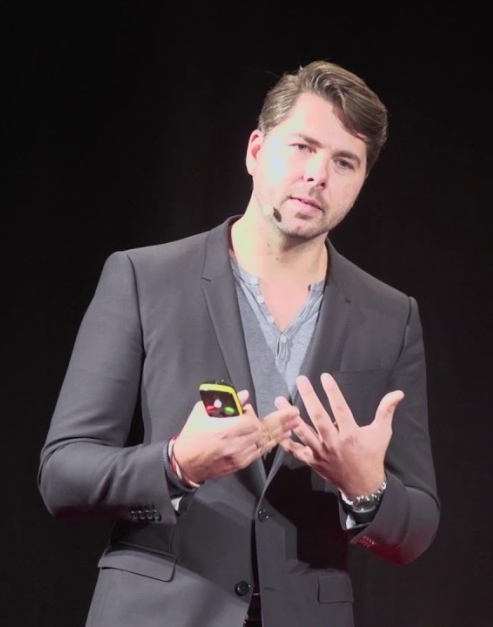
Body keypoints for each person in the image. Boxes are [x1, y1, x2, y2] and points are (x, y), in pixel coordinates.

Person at [38, 59, 440, 627]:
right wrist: (177, 465)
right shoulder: (144, 279)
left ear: (360, 182)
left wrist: (367, 488)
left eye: (344, 161)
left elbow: (417, 526)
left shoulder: (390, 316)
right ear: (255, 151)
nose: (318, 175)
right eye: (302, 147)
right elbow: (63, 475)